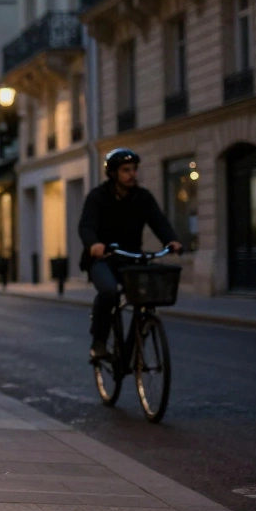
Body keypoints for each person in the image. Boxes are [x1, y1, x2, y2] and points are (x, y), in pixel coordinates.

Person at [78, 148, 182, 360]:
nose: (132, 174)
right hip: (103, 259)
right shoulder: (98, 197)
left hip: (131, 257)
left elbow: (158, 221)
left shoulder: (143, 197)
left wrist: (171, 240)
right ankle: (98, 341)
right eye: (126, 170)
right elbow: (86, 226)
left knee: (150, 292)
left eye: (134, 169)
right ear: (113, 173)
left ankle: (136, 339)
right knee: (109, 292)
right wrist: (94, 244)